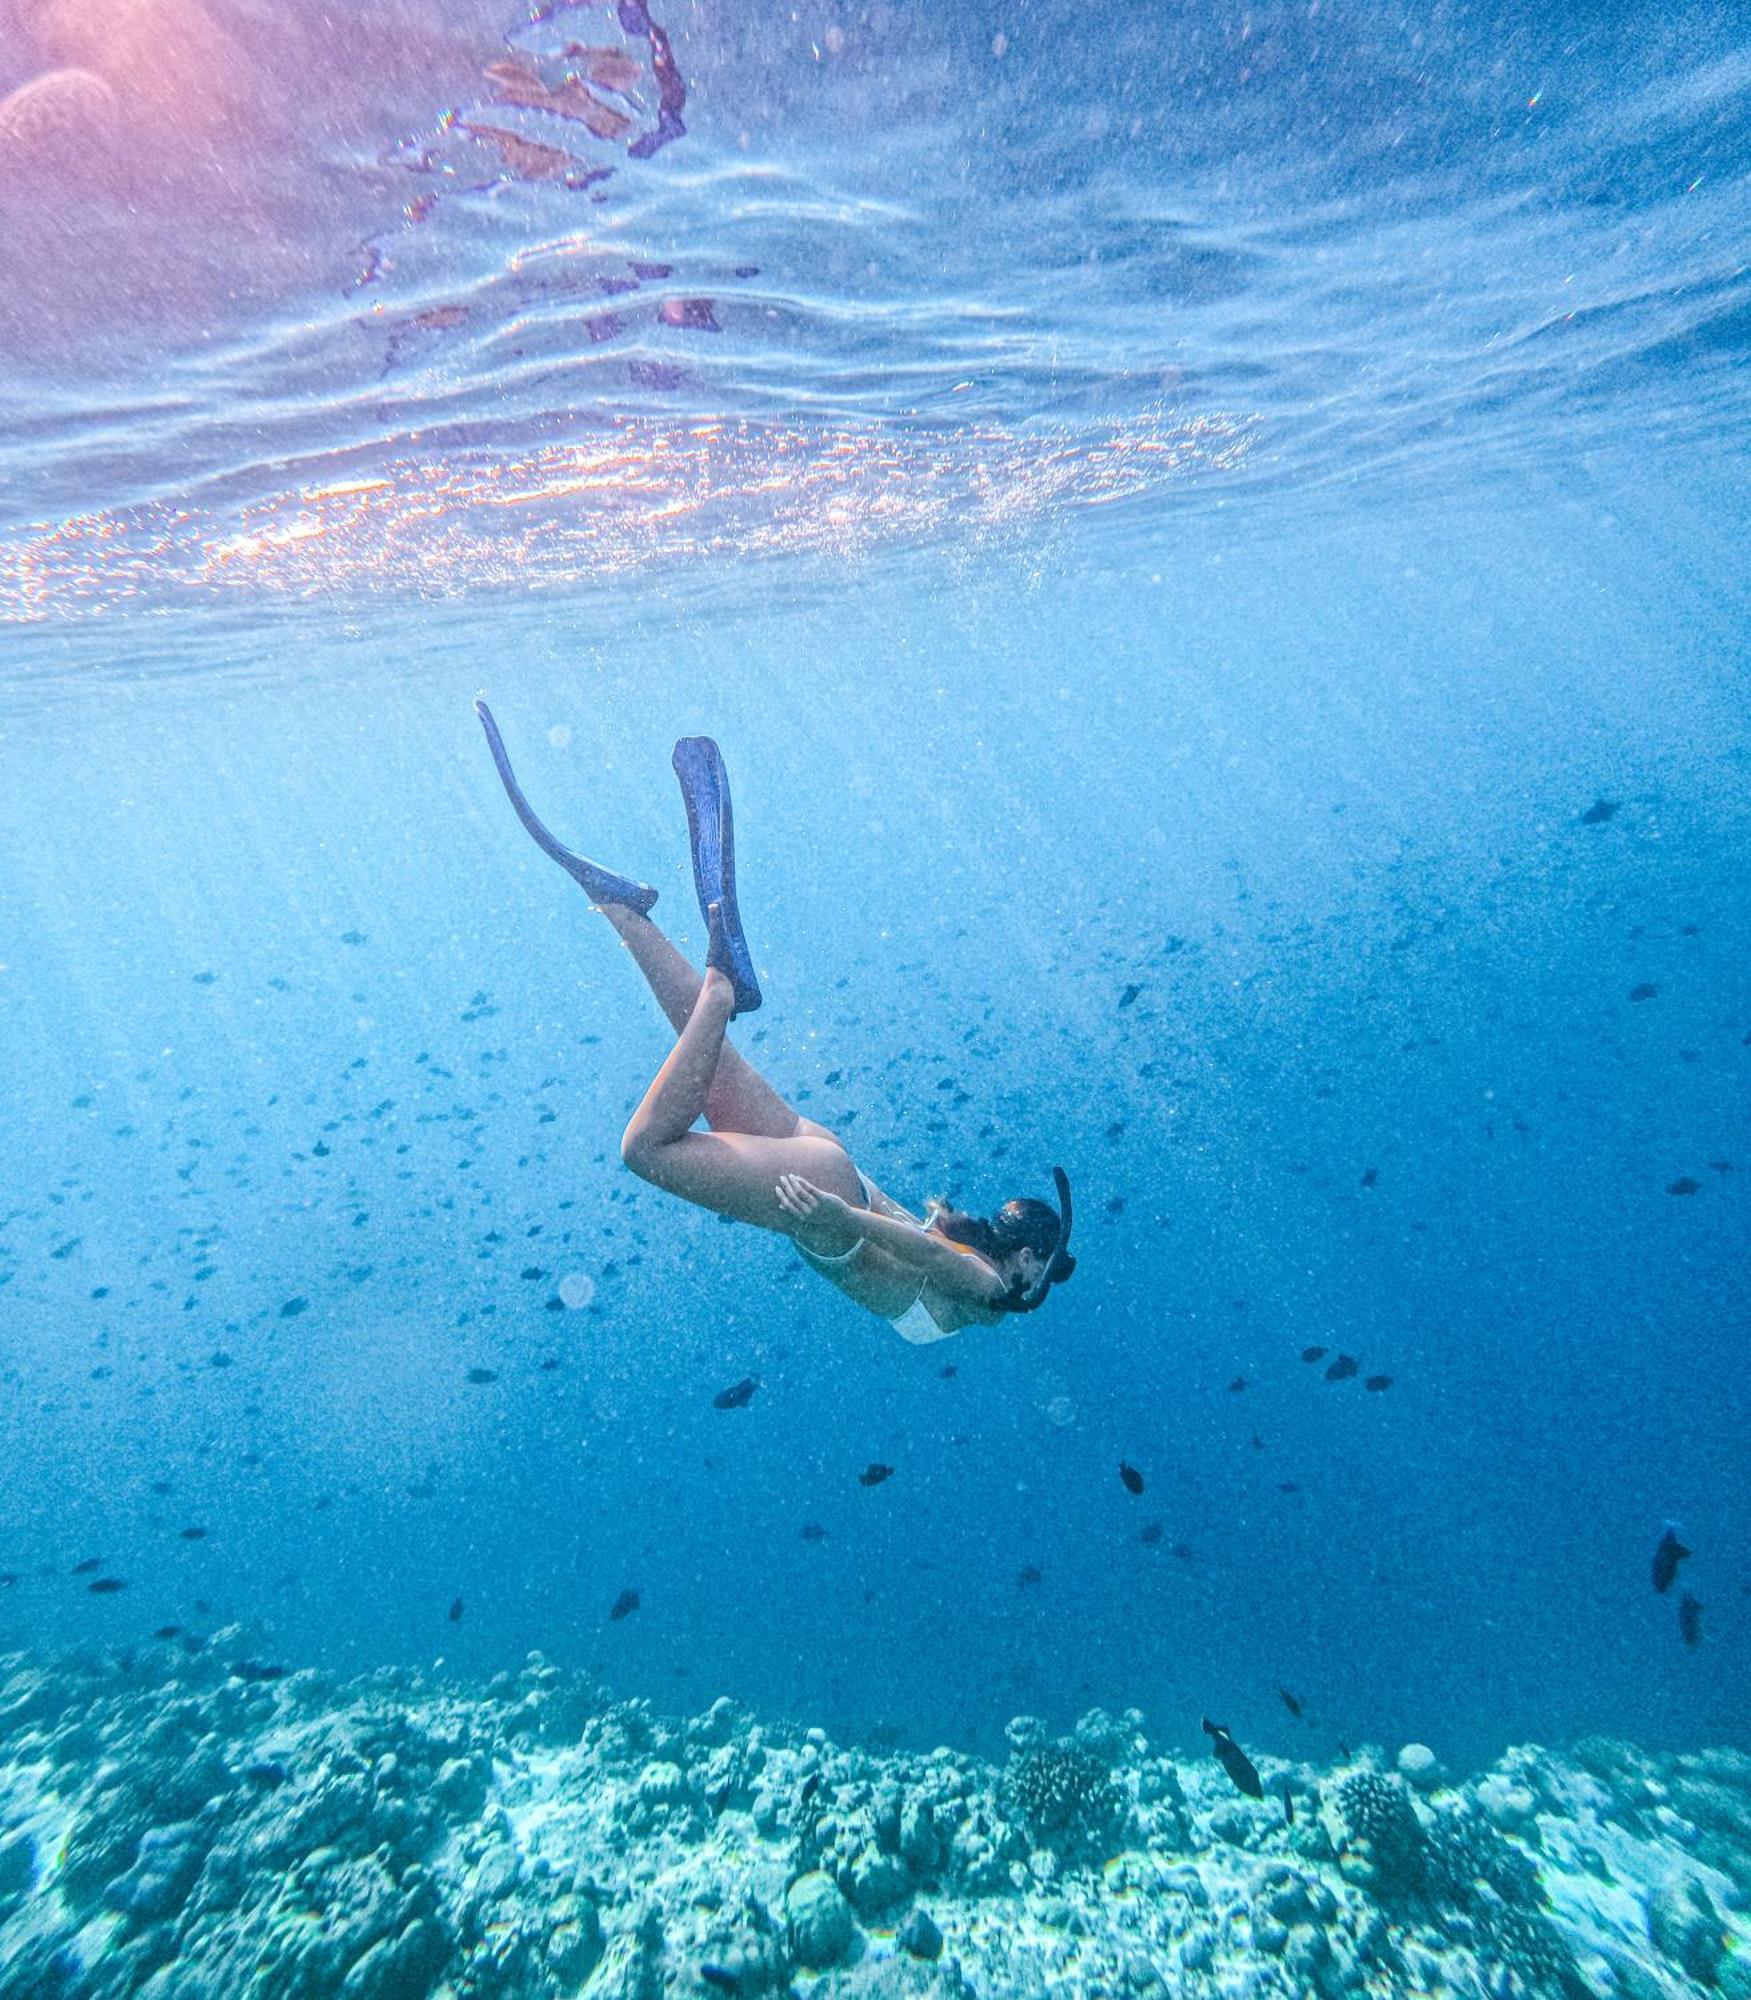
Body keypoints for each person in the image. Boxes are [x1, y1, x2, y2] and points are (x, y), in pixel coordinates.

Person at [475, 702, 1075, 1343]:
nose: (1039, 1289)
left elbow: (923, 1248)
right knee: (646, 1151)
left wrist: (846, 1208)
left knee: (699, 1053)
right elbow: (924, 1257)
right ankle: (721, 986)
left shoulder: (968, 1252)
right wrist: (839, 1215)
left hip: (821, 1159)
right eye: (1045, 1272)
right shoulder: (985, 1293)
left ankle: (622, 909)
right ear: (1028, 1258)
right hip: (825, 1196)